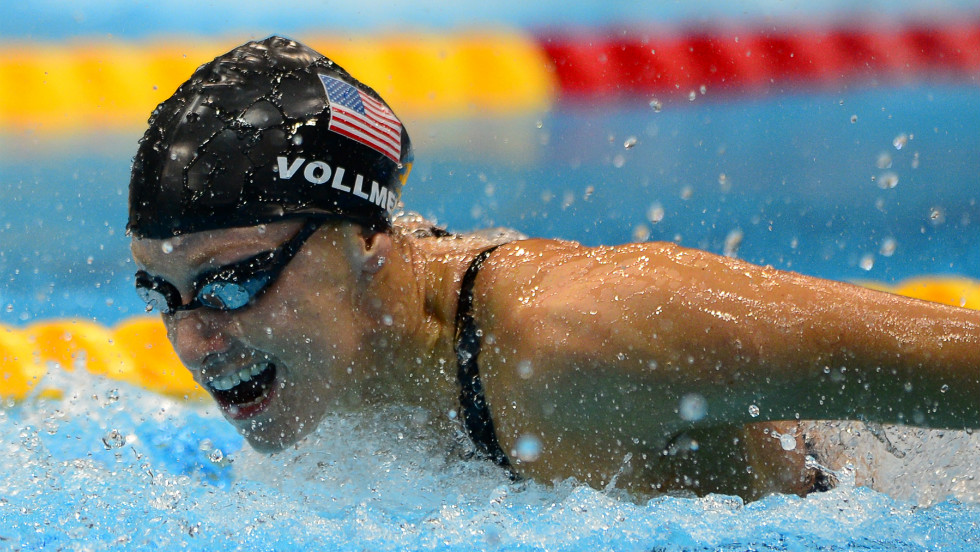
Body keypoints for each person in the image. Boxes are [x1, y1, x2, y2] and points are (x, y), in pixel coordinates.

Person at [128, 36, 980, 500]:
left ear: (367, 241)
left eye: (234, 280)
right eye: (162, 294)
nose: (195, 341)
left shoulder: (581, 336)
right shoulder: (332, 366)